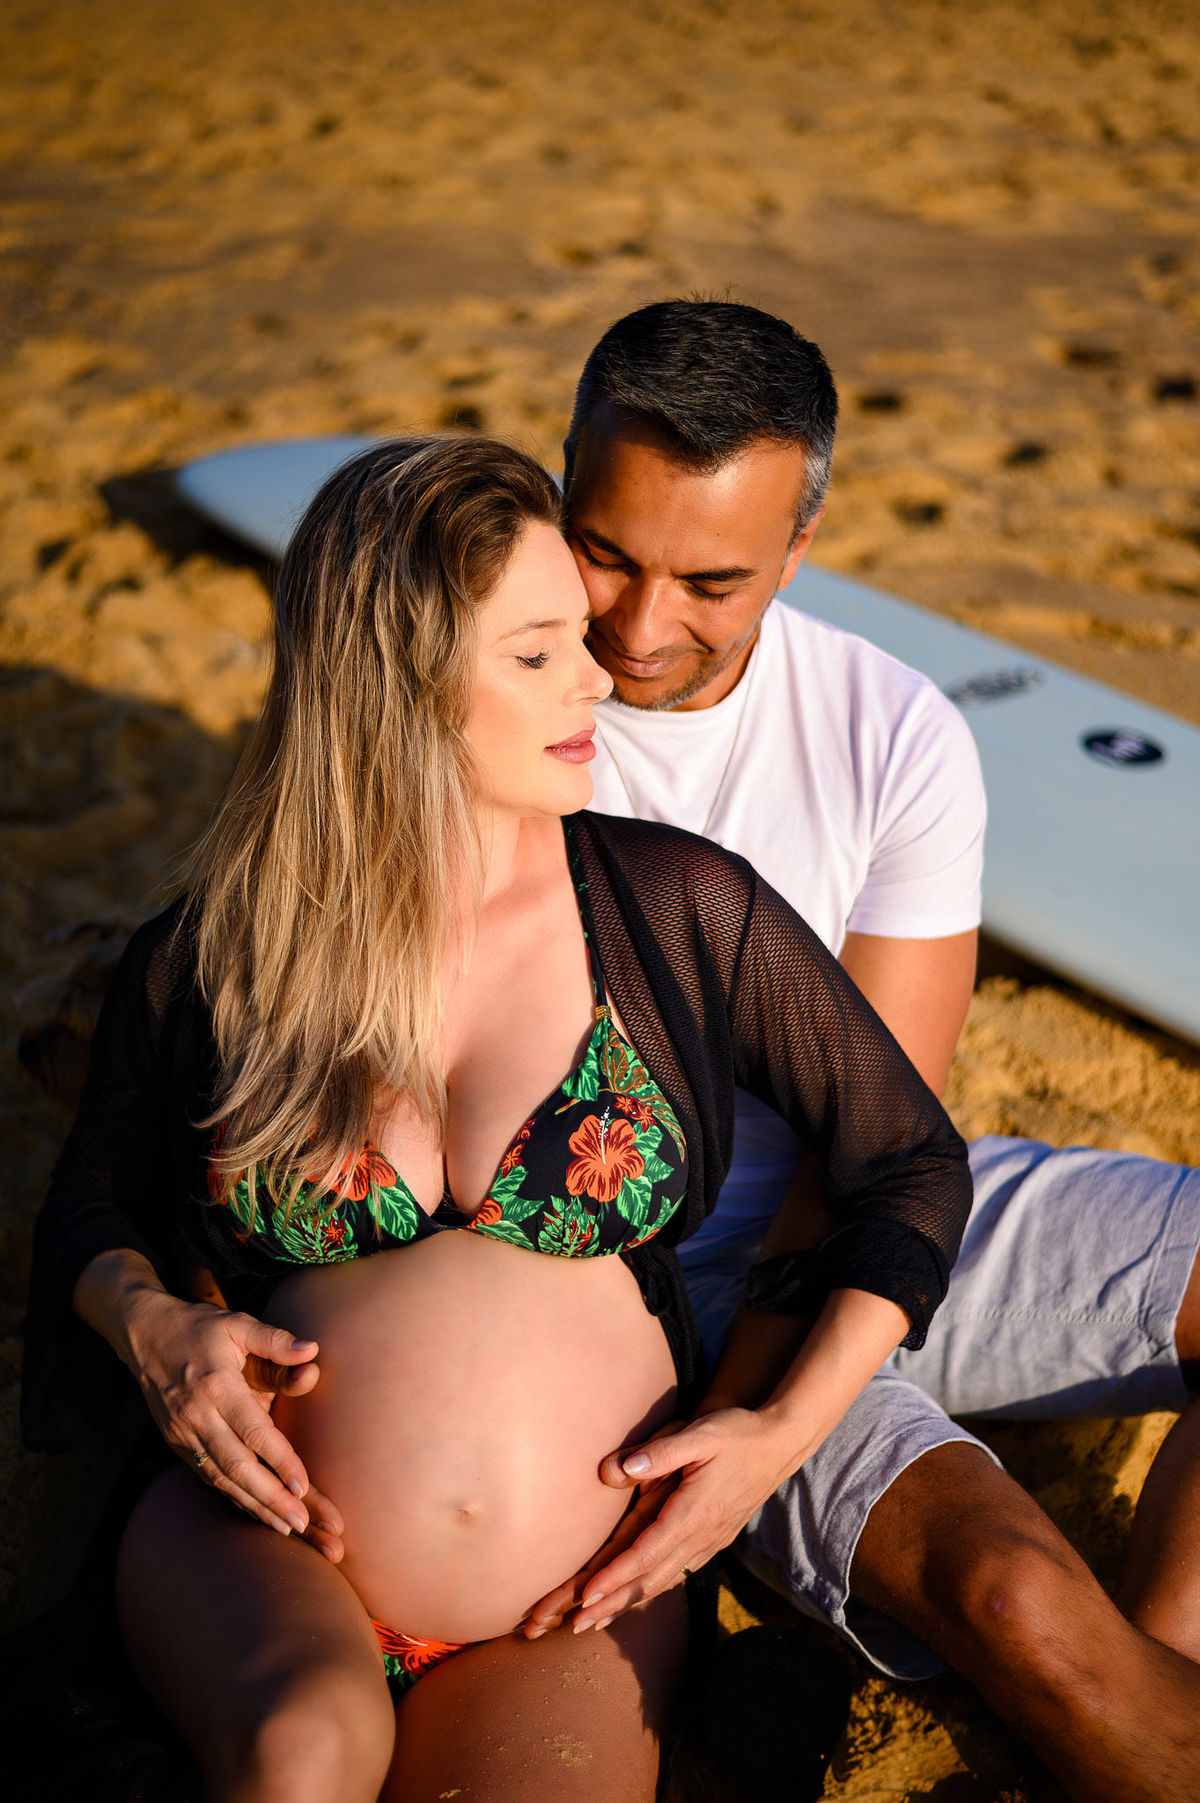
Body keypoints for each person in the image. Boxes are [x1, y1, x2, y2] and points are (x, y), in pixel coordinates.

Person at [21, 434, 972, 1803]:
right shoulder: (223, 954)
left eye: (576, 635)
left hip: (572, 1597)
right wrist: (153, 1331)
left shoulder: (676, 907)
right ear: (393, 687)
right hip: (263, 1549)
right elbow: (90, 1206)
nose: (598, 679)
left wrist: (778, 1435)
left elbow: (910, 1164)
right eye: (537, 654)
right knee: (302, 1756)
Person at [511, 298, 1200, 1803]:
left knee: (1094, 1667)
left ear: (801, 547)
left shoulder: (895, 731)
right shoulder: (482, 704)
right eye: (604, 551)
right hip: (626, 1304)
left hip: (863, 1220)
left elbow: (884, 1150)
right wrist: (734, 1423)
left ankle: (1132, 1705)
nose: (637, 629)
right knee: (1022, 1602)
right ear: (561, 482)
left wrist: (780, 1423)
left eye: (712, 580)